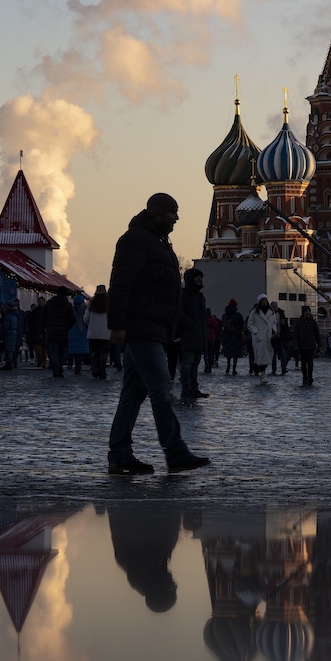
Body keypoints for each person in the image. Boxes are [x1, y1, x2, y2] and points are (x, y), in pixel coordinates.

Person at [106, 192, 208, 474]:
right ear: (158, 213)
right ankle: (175, 452)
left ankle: (120, 455)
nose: (176, 218)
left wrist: (169, 329)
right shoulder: (136, 240)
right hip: (142, 327)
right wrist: (117, 324)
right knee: (161, 388)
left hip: (153, 328)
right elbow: (121, 283)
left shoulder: (157, 241)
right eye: (172, 213)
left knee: (133, 393)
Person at [177, 268, 209, 404]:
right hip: (189, 334)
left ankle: (194, 388)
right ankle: (186, 388)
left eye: (200, 277)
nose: (199, 279)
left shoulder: (200, 296)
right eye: (196, 277)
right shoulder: (184, 294)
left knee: (195, 364)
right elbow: (179, 312)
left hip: (199, 335)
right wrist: (190, 324)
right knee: (187, 363)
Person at [40, 290, 75, 377]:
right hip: (63, 332)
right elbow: (73, 319)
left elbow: (43, 317)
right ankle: (60, 368)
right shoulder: (68, 305)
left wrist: (44, 327)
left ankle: (55, 369)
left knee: (53, 352)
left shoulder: (49, 304)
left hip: (51, 331)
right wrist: (67, 327)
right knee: (61, 352)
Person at [246, 295, 278, 382]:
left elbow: (274, 323)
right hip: (259, 337)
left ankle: (261, 371)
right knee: (260, 356)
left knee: (267, 357)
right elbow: (250, 324)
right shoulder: (254, 312)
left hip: (268, 337)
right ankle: (262, 373)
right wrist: (256, 331)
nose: (264, 302)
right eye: (262, 300)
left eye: (265, 300)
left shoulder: (271, 312)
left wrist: (274, 330)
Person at [294, 306, 320, 387]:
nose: (308, 312)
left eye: (309, 311)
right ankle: (305, 376)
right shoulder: (298, 323)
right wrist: (296, 345)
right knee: (303, 363)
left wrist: (319, 344)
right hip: (302, 345)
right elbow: (295, 335)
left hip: (311, 345)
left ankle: (310, 376)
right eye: (306, 311)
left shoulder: (313, 322)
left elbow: (317, 334)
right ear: (303, 312)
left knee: (310, 362)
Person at [218, 299, 244, 374]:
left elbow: (222, 324)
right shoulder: (238, 315)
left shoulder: (224, 315)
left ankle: (228, 367)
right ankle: (234, 369)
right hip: (236, 336)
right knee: (235, 354)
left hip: (227, 336)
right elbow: (242, 324)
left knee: (228, 353)